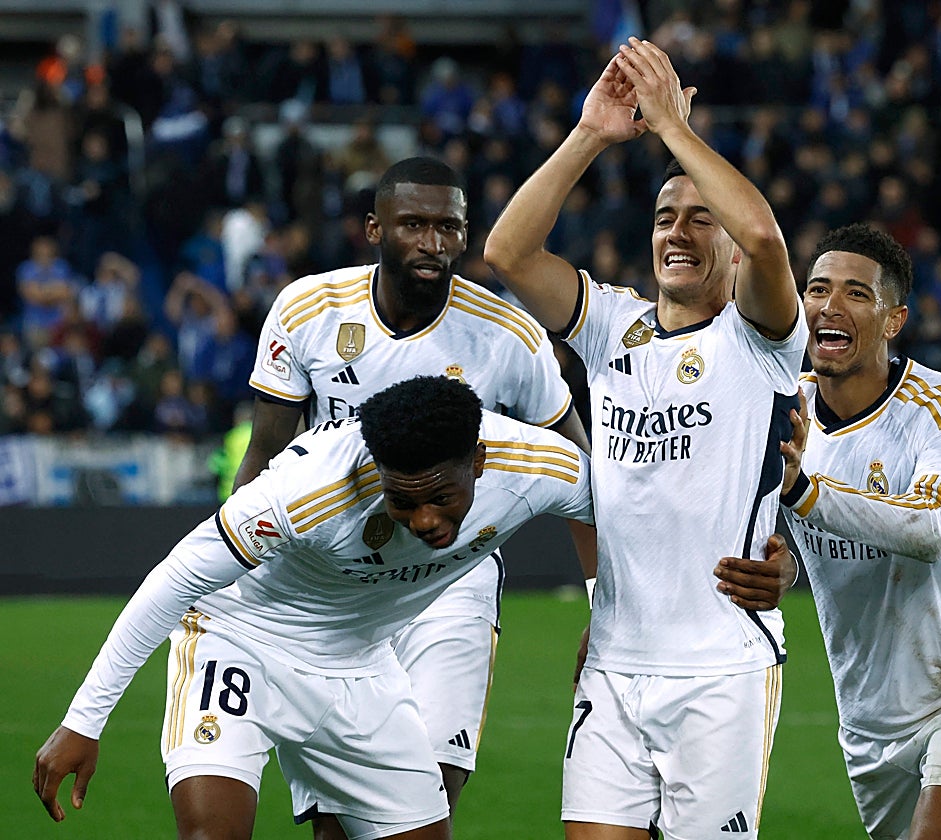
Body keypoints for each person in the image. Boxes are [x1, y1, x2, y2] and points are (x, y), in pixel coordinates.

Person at [32, 375, 594, 839]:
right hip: (243, 640)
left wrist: (608, 614)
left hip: (360, 666)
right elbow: (174, 581)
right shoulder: (312, 487)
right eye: (403, 501)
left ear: (478, 460)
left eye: (441, 498)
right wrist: (83, 721)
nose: (425, 521)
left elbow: (625, 514)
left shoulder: (535, 466)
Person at [485, 37, 805, 840]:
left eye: (702, 220)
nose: (680, 232)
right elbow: (506, 252)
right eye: (666, 217)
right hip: (615, 662)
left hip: (722, 666)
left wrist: (670, 128)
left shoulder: (759, 341)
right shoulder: (612, 328)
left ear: (727, 249)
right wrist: (592, 133)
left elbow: (766, 239)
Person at [232, 155, 596, 831]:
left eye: (448, 227)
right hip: (330, 582)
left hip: (449, 578)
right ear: (375, 228)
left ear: (464, 235)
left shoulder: (509, 335)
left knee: (426, 797)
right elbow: (264, 455)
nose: (432, 242)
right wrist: (239, 580)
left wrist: (607, 607)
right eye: (413, 225)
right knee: (336, 821)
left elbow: (583, 474)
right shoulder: (307, 310)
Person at [777, 223, 941, 839]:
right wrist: (777, 566)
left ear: (894, 320)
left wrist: (804, 492)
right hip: (867, 721)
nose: (830, 306)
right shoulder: (781, 406)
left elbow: (932, 528)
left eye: (855, 294)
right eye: (817, 290)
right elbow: (782, 535)